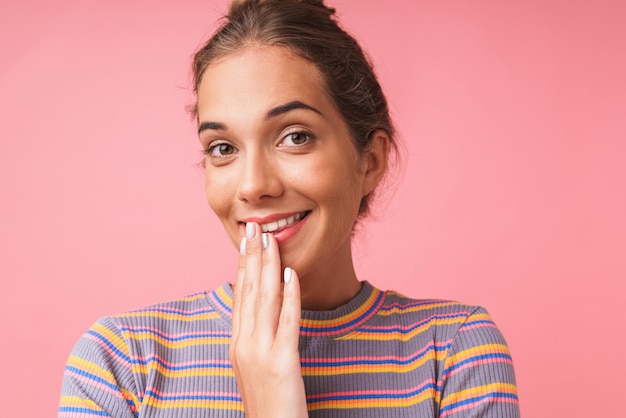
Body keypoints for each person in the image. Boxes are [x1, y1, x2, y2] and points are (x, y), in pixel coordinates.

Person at [59, 0, 520, 417]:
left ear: (369, 160)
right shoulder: (120, 363)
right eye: (222, 148)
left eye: (295, 136)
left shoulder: (454, 352)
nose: (254, 185)